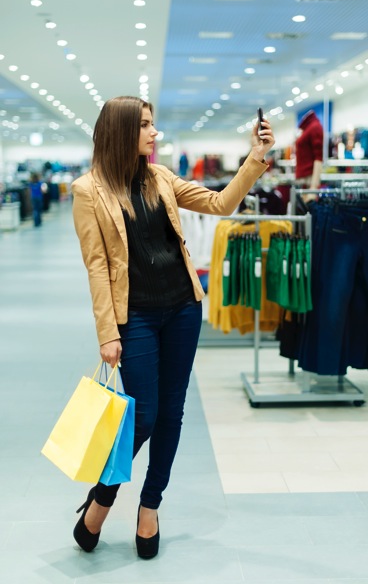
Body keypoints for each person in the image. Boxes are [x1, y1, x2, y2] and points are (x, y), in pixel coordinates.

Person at [71, 96, 275, 559]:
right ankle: (102, 497)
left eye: (153, 124)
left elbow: (220, 204)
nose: (154, 133)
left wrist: (255, 158)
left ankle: (150, 505)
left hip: (183, 309)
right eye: (145, 125)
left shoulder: (160, 177)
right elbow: (97, 266)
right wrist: (107, 332)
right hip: (135, 316)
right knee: (143, 415)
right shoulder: (88, 191)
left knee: (172, 413)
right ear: (122, 130)